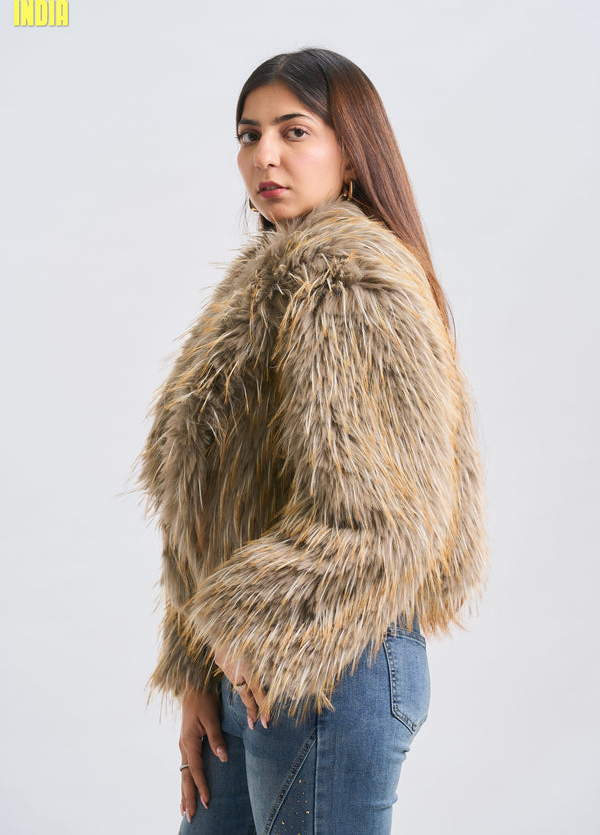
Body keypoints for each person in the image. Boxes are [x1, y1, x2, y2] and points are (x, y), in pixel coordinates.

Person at [137, 48, 487, 835]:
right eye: (249, 134)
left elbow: (377, 522)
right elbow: (216, 506)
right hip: (250, 663)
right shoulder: (267, 284)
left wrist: (232, 630)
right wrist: (197, 666)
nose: (265, 155)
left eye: (294, 131)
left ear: (352, 153)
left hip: (334, 663)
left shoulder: (347, 282)